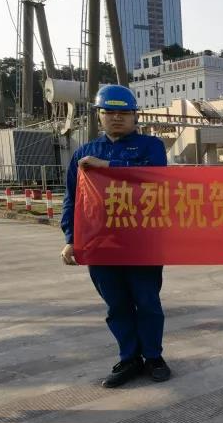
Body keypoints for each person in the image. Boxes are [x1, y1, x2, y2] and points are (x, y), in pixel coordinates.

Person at [60, 84, 171, 388]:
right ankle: (129, 358)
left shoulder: (151, 146)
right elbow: (72, 198)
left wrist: (107, 166)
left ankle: (153, 357)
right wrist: (71, 238)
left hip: (143, 243)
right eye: (109, 112)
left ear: (135, 116)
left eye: (124, 113)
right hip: (100, 244)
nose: (116, 118)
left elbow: (154, 177)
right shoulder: (84, 153)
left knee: (147, 302)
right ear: (100, 116)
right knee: (117, 305)